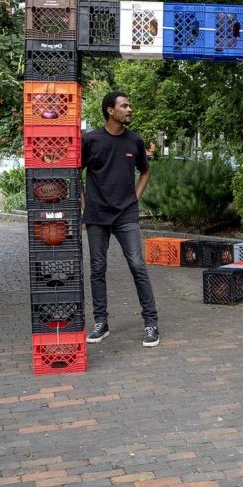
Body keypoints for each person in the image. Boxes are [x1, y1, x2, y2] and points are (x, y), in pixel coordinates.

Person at [82, 92, 160, 347]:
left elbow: (145, 171)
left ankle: (151, 324)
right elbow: (75, 172)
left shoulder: (134, 142)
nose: (129, 109)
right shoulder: (91, 140)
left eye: (129, 105)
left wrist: (135, 198)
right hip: (97, 216)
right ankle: (101, 323)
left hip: (125, 214)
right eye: (124, 105)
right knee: (97, 269)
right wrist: (85, 202)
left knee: (138, 265)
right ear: (109, 110)